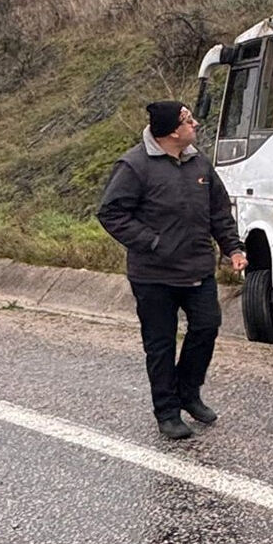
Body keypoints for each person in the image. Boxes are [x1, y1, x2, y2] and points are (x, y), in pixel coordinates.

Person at [97, 100, 247, 439]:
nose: (194, 124)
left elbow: (219, 212)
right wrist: (152, 242)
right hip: (153, 276)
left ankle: (189, 392)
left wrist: (233, 248)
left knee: (207, 327)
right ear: (171, 131)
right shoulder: (134, 166)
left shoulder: (199, 163)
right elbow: (111, 214)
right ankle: (166, 412)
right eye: (187, 120)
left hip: (197, 268)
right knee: (160, 343)